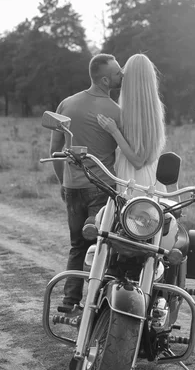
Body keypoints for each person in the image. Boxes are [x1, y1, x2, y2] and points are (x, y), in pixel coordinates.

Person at [50, 53, 123, 313]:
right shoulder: (116, 112)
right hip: (102, 188)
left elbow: (55, 149)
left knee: (77, 245)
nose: (122, 74)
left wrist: (63, 181)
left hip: (73, 187)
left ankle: (70, 300)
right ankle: (97, 302)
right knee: (100, 246)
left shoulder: (66, 104)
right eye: (117, 73)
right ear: (105, 80)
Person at [96, 53, 166, 194]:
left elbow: (138, 162)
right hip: (150, 177)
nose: (122, 76)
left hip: (133, 179)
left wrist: (114, 131)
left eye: (124, 73)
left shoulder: (131, 113)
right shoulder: (153, 110)